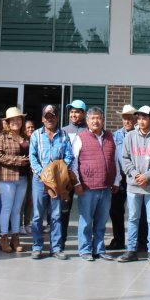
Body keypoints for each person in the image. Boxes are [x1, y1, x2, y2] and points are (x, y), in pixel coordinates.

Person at [118, 105, 150, 264]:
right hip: (133, 186)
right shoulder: (130, 136)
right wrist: (134, 174)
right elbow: (124, 158)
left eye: (144, 118)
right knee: (132, 218)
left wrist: (147, 176)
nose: (140, 121)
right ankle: (131, 250)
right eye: (138, 118)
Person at [71, 107, 117, 261]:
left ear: (103, 120)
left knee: (102, 221)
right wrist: (77, 183)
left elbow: (114, 160)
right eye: (93, 118)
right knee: (86, 221)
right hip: (87, 188)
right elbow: (73, 163)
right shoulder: (81, 137)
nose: (96, 121)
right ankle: (84, 250)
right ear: (87, 121)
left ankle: (99, 249)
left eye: (99, 118)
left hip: (105, 187)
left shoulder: (110, 137)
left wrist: (116, 181)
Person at [29, 104, 74, 260]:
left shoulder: (63, 135)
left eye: (53, 116)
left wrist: (60, 169)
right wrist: (43, 174)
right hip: (40, 181)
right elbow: (32, 157)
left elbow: (69, 155)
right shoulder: (35, 135)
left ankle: (55, 248)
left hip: (57, 182)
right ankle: (37, 246)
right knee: (37, 215)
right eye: (47, 117)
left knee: (55, 216)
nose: (50, 119)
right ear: (42, 118)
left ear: (57, 118)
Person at [0, 107, 30, 253]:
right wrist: (17, 161)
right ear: (7, 122)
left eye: (18, 119)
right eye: (12, 120)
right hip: (7, 177)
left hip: (23, 177)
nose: (16, 122)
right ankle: (3, 238)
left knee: (17, 210)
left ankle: (15, 237)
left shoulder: (26, 138)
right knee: (6, 208)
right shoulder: (1, 136)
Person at [60, 99, 88, 250]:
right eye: (71, 111)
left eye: (77, 111)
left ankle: (85, 244)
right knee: (64, 211)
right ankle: (61, 242)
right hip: (67, 178)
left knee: (86, 212)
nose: (73, 114)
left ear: (83, 113)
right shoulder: (63, 130)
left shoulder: (88, 130)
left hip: (85, 177)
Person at [109, 105, 136, 251]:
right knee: (115, 210)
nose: (127, 121)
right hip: (120, 178)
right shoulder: (116, 135)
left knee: (137, 212)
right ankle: (118, 240)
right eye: (125, 118)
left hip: (135, 177)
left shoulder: (139, 134)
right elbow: (112, 157)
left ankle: (139, 242)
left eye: (130, 118)